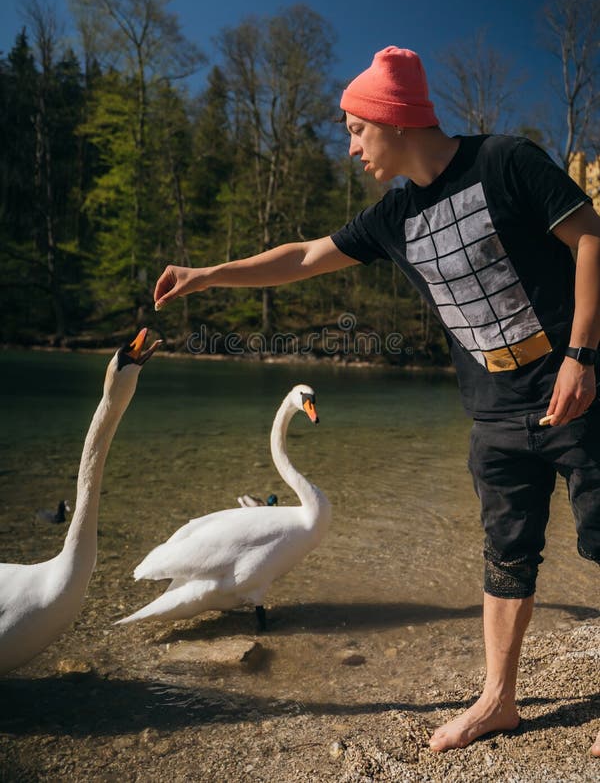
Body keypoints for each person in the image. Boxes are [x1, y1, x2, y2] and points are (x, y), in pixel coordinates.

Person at [153, 46, 600, 756]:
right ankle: (498, 700)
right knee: (506, 555)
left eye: (357, 128)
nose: (351, 145)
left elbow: (590, 237)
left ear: (393, 118)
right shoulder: (392, 219)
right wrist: (208, 274)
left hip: (576, 385)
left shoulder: (507, 161)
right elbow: (301, 257)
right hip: (494, 408)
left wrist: (581, 355)